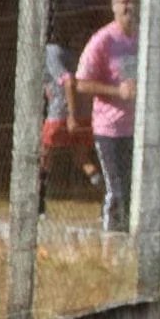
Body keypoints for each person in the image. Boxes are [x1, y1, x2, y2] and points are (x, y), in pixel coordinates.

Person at [75, 0, 138, 233]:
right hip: (110, 128)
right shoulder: (103, 40)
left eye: (133, 2)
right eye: (123, 2)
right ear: (114, 7)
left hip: (137, 127)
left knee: (135, 188)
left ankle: (131, 237)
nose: (128, 7)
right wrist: (117, 92)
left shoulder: (144, 39)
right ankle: (109, 239)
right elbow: (82, 82)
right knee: (116, 188)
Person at [39, 42, 101, 216]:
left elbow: (68, 81)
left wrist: (71, 115)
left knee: (44, 154)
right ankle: (108, 196)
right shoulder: (70, 53)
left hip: (63, 112)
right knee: (82, 158)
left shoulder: (49, 51)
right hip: (82, 111)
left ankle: (38, 206)